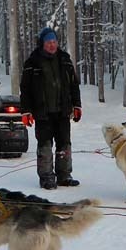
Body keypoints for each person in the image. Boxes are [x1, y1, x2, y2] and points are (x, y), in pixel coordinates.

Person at [20, 27, 82, 190]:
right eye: (49, 42)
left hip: (63, 112)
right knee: (45, 145)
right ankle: (47, 177)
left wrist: (77, 105)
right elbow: (25, 89)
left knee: (64, 144)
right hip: (42, 113)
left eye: (54, 42)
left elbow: (74, 85)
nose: (52, 45)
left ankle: (64, 175)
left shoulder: (65, 59)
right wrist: (26, 111)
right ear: (42, 43)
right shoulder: (32, 62)